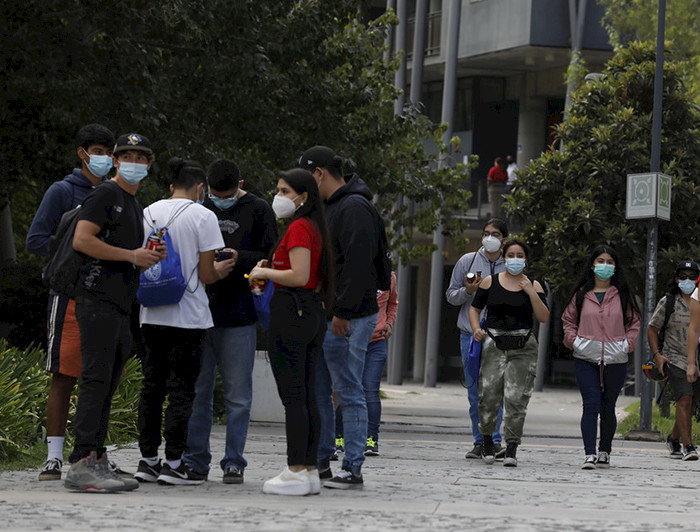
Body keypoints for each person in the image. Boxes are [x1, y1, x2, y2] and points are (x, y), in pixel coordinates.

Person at [65, 132, 163, 492]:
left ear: (149, 164)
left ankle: (97, 455)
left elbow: (125, 253)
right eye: (127, 156)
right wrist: (131, 256)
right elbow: (82, 240)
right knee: (95, 381)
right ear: (116, 161)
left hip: (122, 305)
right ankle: (81, 462)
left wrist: (146, 256)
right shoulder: (106, 193)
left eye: (141, 157)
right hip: (97, 301)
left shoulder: (134, 203)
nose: (134, 162)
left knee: (108, 383)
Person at [26, 124, 117, 481]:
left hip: (107, 297)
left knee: (102, 379)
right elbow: (36, 240)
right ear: (82, 153)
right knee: (64, 376)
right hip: (69, 297)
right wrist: (73, 252)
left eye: (110, 151)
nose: (105, 158)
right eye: (98, 150)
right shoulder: (62, 191)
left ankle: (94, 453)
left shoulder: (116, 194)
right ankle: (53, 457)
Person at [135, 159, 231, 486]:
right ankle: (174, 463)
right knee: (181, 391)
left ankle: (147, 460)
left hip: (151, 313)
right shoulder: (204, 216)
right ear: (200, 187)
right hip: (189, 317)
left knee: (151, 388)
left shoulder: (147, 212)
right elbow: (206, 273)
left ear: (170, 184)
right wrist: (222, 270)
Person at [183, 159, 277, 484]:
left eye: (227, 194)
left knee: (239, 396)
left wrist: (241, 258)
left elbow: (271, 255)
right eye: (214, 195)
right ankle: (195, 459)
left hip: (240, 315)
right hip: (200, 314)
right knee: (199, 392)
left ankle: (234, 461)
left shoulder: (258, 209)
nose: (220, 200)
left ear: (241, 184)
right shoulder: (199, 209)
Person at [301, 145, 383, 490]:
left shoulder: (353, 207)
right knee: (321, 390)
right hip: (331, 314)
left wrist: (342, 312)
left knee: (349, 391)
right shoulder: (333, 206)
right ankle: (321, 464)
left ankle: (352, 467)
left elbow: (358, 265)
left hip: (348, 316)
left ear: (319, 173)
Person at [247, 168, 333, 496]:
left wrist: (264, 270)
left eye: (285, 191)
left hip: (293, 313)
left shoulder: (299, 227)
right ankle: (308, 468)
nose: (279, 197)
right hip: (309, 312)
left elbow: (299, 275)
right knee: (307, 394)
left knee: (294, 396)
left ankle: (296, 468)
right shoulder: (313, 226)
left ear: (303, 196)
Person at [469, 239, 550, 467]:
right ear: (504, 258)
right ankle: (486, 441)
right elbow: (474, 309)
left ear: (526, 259)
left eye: (519, 255)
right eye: (511, 255)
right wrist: (476, 329)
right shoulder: (489, 282)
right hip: (494, 343)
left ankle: (512, 447)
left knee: (517, 398)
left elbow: (543, 317)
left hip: (523, 345)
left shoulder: (534, 284)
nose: (515, 259)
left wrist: (529, 291)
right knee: (489, 396)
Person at [562, 245, 641, 470]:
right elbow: (568, 321)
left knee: (608, 407)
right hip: (585, 358)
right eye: (600, 260)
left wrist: (627, 345)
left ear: (615, 267)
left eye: (609, 261)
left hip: (616, 359)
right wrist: (574, 341)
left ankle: (605, 450)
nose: (604, 265)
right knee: (591, 405)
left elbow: (634, 323)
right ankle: (589, 453)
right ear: (592, 264)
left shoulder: (623, 296)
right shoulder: (581, 295)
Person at [446, 219, 507, 460]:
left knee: (495, 392)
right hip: (470, 337)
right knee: (474, 392)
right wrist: (468, 291)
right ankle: (479, 440)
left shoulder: (510, 264)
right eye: (486, 233)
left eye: (495, 234)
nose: (490, 238)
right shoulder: (467, 261)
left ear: (504, 238)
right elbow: (451, 296)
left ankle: (495, 441)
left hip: (500, 337)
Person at [334, 272, 399, 457]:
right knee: (343, 389)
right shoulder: (348, 270)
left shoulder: (388, 276)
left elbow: (392, 303)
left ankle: (371, 438)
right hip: (348, 339)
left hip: (375, 342)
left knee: (370, 390)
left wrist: (389, 322)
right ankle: (339, 436)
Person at [649, 261, 700, 461]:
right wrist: (657, 355)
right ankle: (688, 446)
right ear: (677, 279)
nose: (687, 280)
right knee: (684, 399)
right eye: (683, 276)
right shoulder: (669, 302)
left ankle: (673, 438)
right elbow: (652, 329)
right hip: (675, 358)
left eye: (692, 276)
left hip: (696, 358)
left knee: (692, 403)